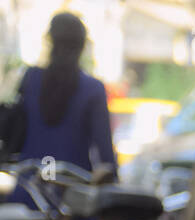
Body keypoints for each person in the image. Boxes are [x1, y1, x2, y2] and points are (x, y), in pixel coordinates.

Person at [7, 13, 116, 207]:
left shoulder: (31, 79)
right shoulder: (93, 89)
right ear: (82, 46)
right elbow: (105, 155)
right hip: (72, 200)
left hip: (28, 194)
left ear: (50, 42)